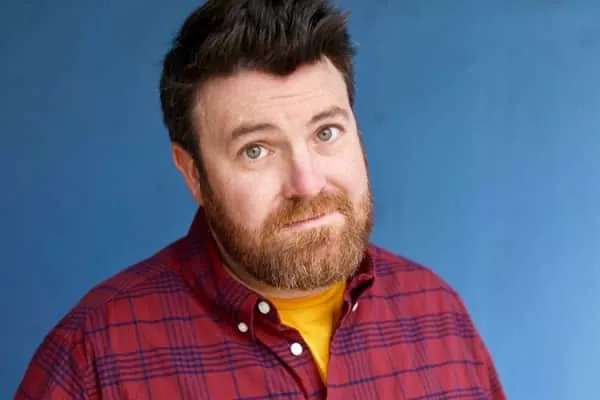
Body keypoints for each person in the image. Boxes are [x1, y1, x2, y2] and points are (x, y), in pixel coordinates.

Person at [16, 0, 506, 399]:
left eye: (326, 132)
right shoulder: (91, 361)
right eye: (256, 150)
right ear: (193, 173)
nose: (307, 183)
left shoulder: (438, 315)